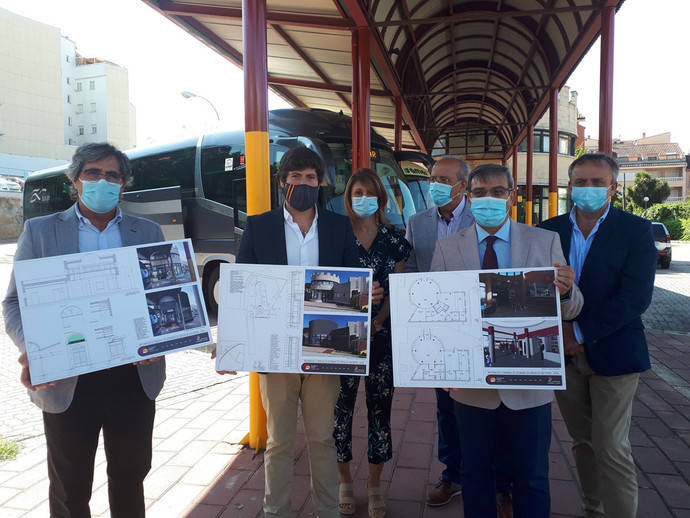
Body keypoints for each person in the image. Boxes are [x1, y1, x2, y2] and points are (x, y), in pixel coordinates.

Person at [2, 143, 166, 518]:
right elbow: (13, 303)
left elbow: (162, 297)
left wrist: (161, 337)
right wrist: (33, 347)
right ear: (75, 180)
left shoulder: (149, 231)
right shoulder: (40, 232)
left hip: (134, 378)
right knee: (70, 485)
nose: (102, 181)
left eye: (112, 175)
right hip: (67, 379)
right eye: (93, 173)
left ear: (123, 184)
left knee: (131, 475)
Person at [234, 146, 383, 518]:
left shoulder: (337, 227)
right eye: (296, 177)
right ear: (282, 181)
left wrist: (368, 293)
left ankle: (328, 511)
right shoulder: (259, 226)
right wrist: (235, 347)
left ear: (321, 184)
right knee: (279, 441)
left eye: (311, 178)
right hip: (276, 352)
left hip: (325, 352)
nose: (303, 183)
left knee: (322, 438)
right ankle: (275, 511)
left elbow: (354, 278)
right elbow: (242, 288)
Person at [430, 164, 583, 518]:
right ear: (468, 198)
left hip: (531, 386)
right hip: (471, 386)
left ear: (511, 197)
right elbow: (436, 313)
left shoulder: (544, 241)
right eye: (480, 192)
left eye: (498, 192)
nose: (489, 199)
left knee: (532, 478)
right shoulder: (447, 248)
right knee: (475, 475)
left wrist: (565, 291)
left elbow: (574, 309)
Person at [540, 153, 656, 517]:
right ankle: (593, 509)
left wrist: (580, 330)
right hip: (564, 354)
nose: (587, 189)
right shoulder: (548, 230)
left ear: (612, 187)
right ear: (569, 185)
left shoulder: (636, 230)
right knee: (583, 442)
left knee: (611, 445)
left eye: (596, 182)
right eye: (580, 182)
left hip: (615, 352)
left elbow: (635, 297)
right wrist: (562, 332)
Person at [333, 168, 412, 517]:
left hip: (381, 338)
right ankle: (344, 481)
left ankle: (376, 483)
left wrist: (378, 322)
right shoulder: (335, 237)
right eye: (355, 192)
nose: (361, 197)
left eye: (368, 192)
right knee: (341, 411)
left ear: (380, 198)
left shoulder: (395, 241)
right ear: (347, 197)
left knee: (380, 411)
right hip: (340, 340)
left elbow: (396, 288)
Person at [404, 156, 473, 507]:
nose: (435, 185)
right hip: (436, 330)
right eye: (433, 178)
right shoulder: (417, 224)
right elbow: (412, 271)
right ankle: (453, 475)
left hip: (475, 330)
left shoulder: (486, 220)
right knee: (446, 407)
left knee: (485, 407)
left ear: (462, 185)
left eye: (444, 179)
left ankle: (492, 476)